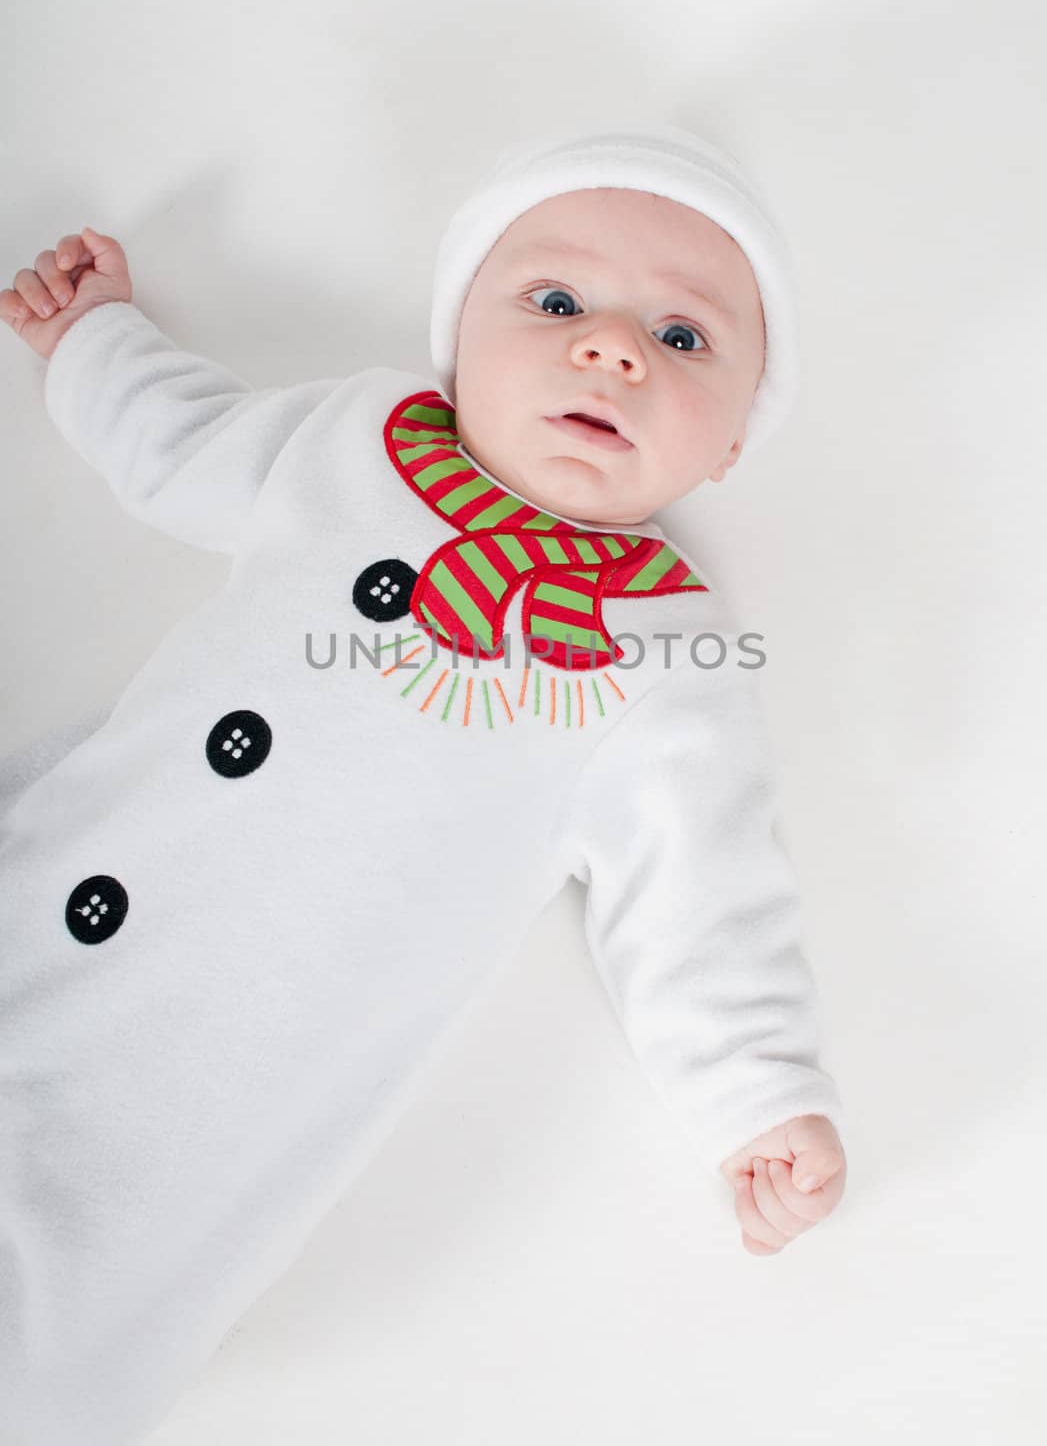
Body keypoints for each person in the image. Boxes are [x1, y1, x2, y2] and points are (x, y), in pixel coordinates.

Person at [0, 122, 847, 1445]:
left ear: (735, 440)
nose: (611, 347)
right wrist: (94, 344)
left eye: (683, 340)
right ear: (457, 345)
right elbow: (186, 442)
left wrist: (756, 1093)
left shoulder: (664, 656)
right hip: (52, 877)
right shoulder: (354, 438)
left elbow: (701, 896)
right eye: (556, 301)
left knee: (56, 1334)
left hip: (204, 1082)